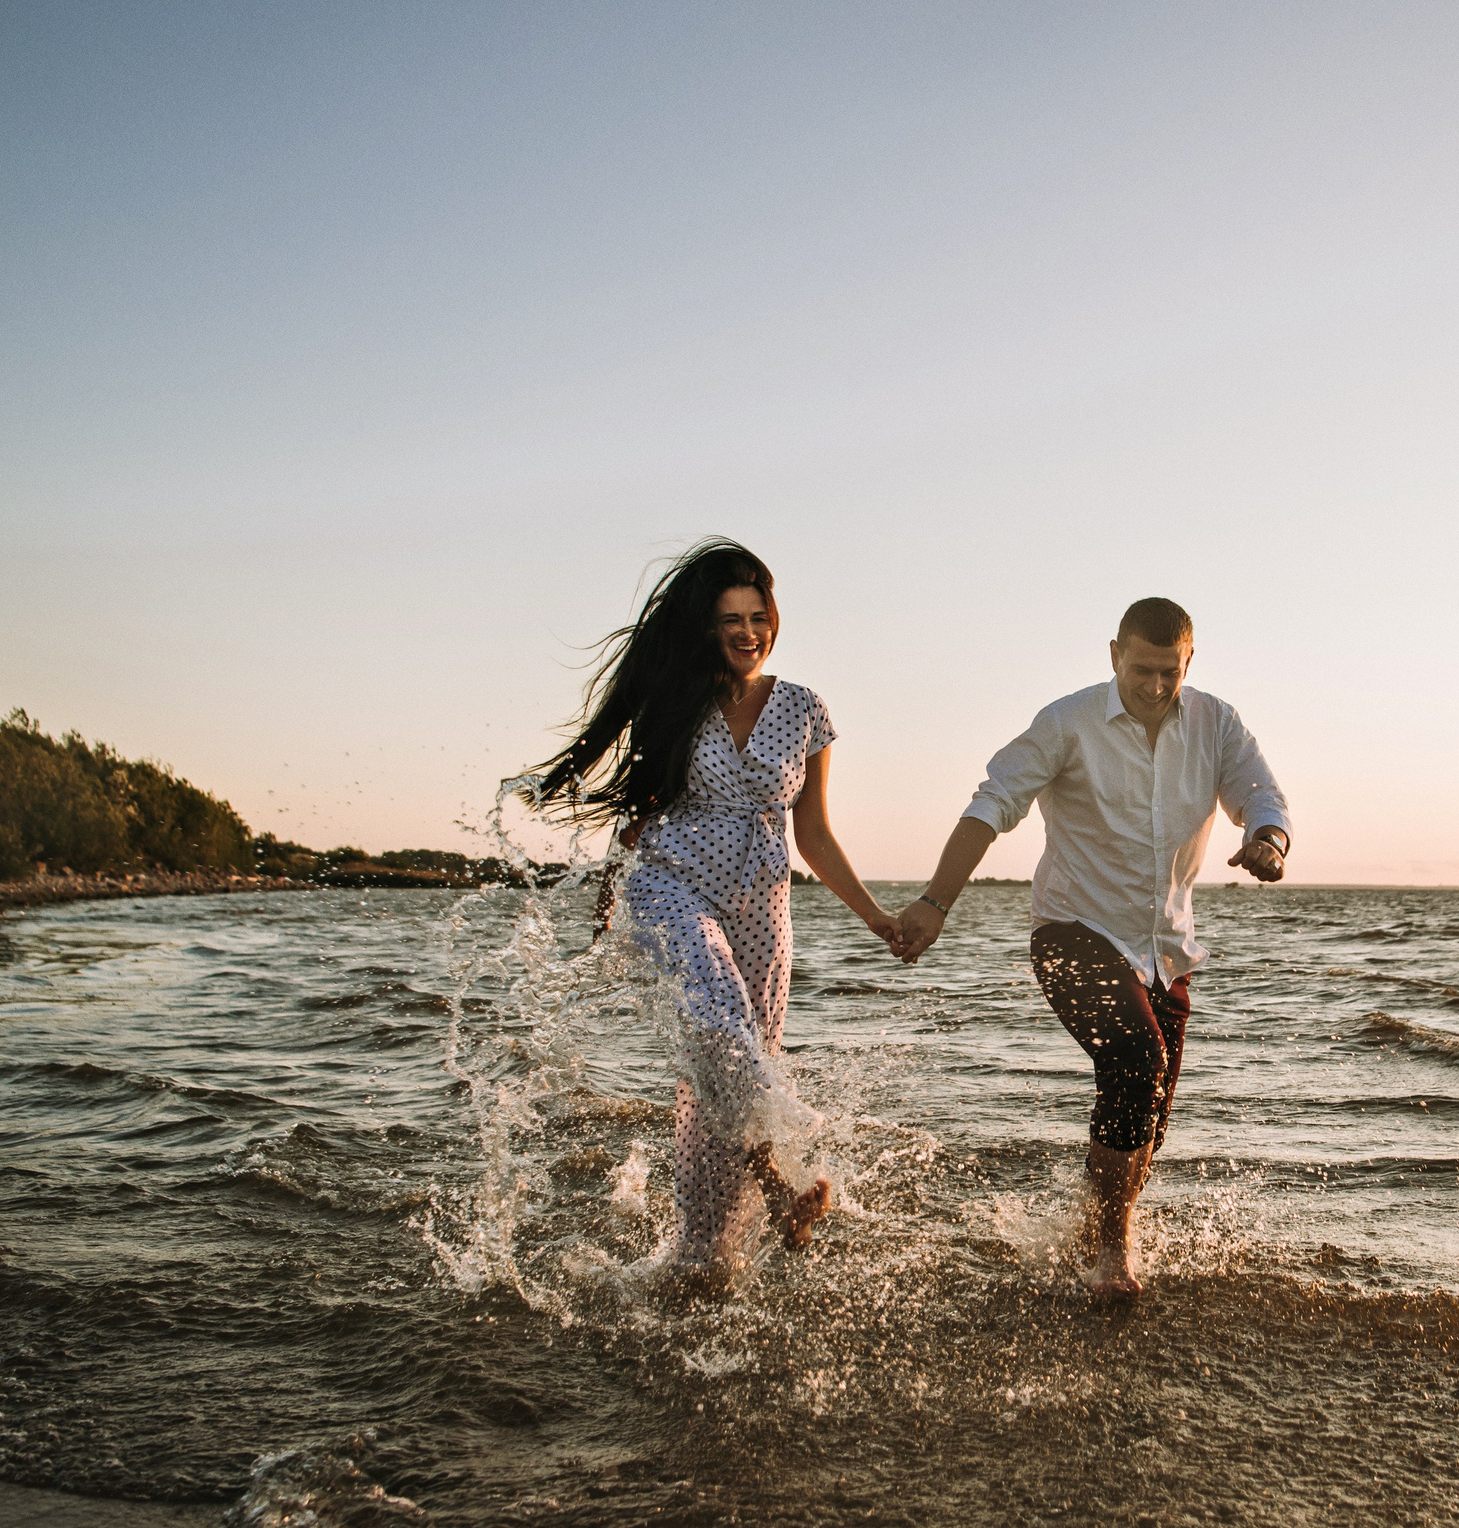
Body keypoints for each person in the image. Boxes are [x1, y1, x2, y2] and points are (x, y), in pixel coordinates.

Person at [894, 598, 1291, 1297]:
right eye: (1142, 670)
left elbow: (1262, 797)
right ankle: (1113, 1255)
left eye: (1170, 672)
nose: (1156, 686)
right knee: (1137, 1059)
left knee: (1147, 1120)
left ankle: (1090, 1226)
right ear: (1114, 655)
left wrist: (1269, 840)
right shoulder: (1067, 722)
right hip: (1070, 931)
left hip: (1165, 950)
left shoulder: (1216, 722)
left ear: (1188, 662)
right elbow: (992, 804)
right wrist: (936, 902)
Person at [534, 540, 902, 1277]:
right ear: (706, 626)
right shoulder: (678, 698)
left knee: (732, 1071)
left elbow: (815, 835)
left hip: (762, 906)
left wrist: (877, 918)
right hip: (671, 886)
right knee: (718, 1026)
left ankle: (707, 1253)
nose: (748, 632)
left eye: (758, 617)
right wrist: (609, 896)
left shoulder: (804, 708)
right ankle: (780, 1185)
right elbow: (638, 811)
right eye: (731, 619)